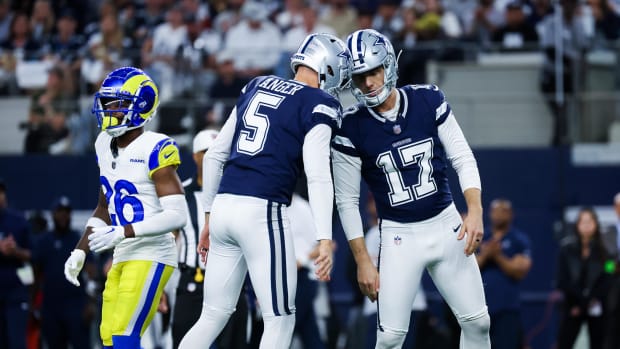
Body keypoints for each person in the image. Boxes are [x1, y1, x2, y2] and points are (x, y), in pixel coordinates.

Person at [178, 33, 350, 349]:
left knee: (212, 315)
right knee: (280, 318)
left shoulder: (256, 84)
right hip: (262, 210)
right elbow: (318, 176)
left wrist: (207, 217)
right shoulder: (318, 102)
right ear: (327, 67)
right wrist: (325, 238)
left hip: (224, 206)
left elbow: (215, 155)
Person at [332, 28, 491, 348]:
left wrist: (474, 210)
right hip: (399, 235)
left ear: (388, 65)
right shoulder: (350, 126)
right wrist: (363, 259)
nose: (368, 83)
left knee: (478, 323)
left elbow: (462, 156)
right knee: (390, 337)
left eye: (373, 72)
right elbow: (347, 200)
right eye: (360, 76)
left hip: (446, 224)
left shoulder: (427, 99)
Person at [63, 66, 188, 349]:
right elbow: (104, 206)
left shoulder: (156, 147)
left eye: (117, 104)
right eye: (106, 103)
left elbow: (177, 215)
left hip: (153, 251)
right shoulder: (103, 144)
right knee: (108, 335)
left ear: (141, 106)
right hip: (123, 252)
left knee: (124, 334)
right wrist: (80, 250)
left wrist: (123, 232)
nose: (108, 111)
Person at [172, 129, 249, 348]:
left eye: (220, 152)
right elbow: (168, 241)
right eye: (207, 151)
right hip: (192, 283)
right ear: (195, 156)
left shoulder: (239, 193)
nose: (215, 157)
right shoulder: (181, 194)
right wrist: (159, 287)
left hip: (231, 283)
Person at [32, 196, 94, 349]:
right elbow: (35, 275)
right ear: (53, 214)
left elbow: (91, 273)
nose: (63, 215)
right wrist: (33, 305)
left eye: (67, 212)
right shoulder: (43, 241)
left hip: (76, 306)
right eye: (60, 211)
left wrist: (90, 304)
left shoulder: (79, 240)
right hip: (51, 307)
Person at [476, 198, 532, 349]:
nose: (499, 215)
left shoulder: (518, 240)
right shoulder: (480, 237)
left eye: (503, 211)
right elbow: (467, 268)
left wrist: (498, 256)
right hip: (480, 309)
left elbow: (520, 270)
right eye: (495, 211)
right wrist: (486, 255)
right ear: (489, 213)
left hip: (507, 309)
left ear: (511, 215)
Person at [555, 207, 611, 349]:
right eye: (583, 222)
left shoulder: (607, 252)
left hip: (596, 306)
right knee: (564, 342)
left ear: (596, 224)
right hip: (572, 306)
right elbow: (562, 280)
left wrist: (588, 302)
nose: (586, 226)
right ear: (577, 225)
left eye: (590, 221)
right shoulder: (566, 249)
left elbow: (608, 277)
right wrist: (579, 303)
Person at [0, 179, 32, 349]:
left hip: (15, 293)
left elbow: (31, 255)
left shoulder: (18, 221)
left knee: (17, 343)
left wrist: (15, 251)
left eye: (1, 192)